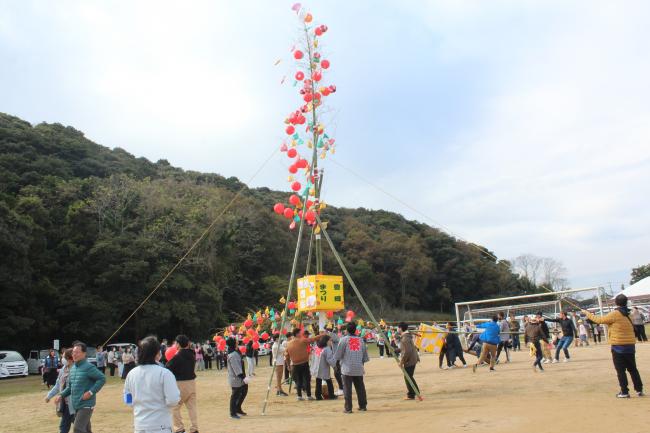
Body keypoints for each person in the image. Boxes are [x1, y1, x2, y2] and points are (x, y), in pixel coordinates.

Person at [582, 294, 644, 398]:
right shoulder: (628, 313)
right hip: (630, 346)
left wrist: (587, 313)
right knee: (633, 369)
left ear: (616, 302)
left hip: (618, 347)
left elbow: (599, 320)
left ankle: (624, 392)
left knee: (620, 371)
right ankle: (639, 389)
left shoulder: (615, 313)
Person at [124, 336, 180, 433]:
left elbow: (128, 398)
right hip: (161, 426)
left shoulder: (131, 374)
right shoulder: (165, 373)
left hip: (140, 425)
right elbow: (173, 400)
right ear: (157, 353)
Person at [56, 342, 106, 433]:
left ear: (84, 354)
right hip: (76, 405)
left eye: (77, 352)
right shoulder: (73, 368)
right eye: (73, 352)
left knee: (78, 429)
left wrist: (90, 392)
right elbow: (70, 387)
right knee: (86, 430)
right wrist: (61, 395)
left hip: (86, 405)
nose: (74, 354)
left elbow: (102, 378)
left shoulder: (89, 367)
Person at [166, 335, 199, 433]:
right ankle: (194, 428)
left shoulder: (177, 356)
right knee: (192, 407)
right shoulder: (192, 355)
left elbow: (167, 367)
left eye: (175, 343)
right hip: (191, 383)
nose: (174, 345)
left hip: (180, 384)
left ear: (178, 344)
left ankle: (179, 428)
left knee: (175, 407)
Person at [334, 321, 369, 413]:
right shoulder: (361, 340)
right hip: (358, 368)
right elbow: (365, 357)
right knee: (360, 388)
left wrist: (337, 366)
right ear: (356, 330)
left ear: (347, 330)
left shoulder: (343, 340)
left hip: (347, 368)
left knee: (347, 389)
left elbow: (338, 355)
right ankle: (363, 406)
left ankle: (348, 408)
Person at [45, 348, 75, 433]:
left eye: (64, 357)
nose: (62, 358)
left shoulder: (76, 370)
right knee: (63, 427)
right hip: (64, 404)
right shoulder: (63, 369)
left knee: (80, 427)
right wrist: (49, 396)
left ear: (70, 358)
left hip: (74, 404)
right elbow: (58, 385)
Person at [286, 328, 318, 401]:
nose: (302, 334)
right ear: (297, 333)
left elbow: (286, 356)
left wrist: (288, 365)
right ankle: (308, 395)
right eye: (301, 333)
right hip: (303, 363)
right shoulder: (302, 340)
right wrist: (322, 335)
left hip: (295, 364)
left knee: (298, 381)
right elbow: (313, 339)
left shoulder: (289, 343)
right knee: (306, 379)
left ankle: (299, 396)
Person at [226, 337, 249, 419]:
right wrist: (243, 377)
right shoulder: (233, 354)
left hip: (240, 377)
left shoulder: (235, 351)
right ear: (233, 343)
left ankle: (238, 408)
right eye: (236, 341)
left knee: (244, 391)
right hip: (236, 378)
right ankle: (232, 413)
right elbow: (236, 369)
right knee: (235, 395)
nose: (237, 342)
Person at [398, 322, 421, 400]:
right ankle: (413, 393)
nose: (397, 329)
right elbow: (405, 348)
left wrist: (401, 362)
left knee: (408, 377)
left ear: (400, 328)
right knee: (408, 376)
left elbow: (407, 351)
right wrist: (397, 350)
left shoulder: (405, 338)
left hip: (410, 360)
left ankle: (412, 394)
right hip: (411, 359)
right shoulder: (406, 336)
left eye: (398, 328)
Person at [311, 335, 337, 400]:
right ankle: (331, 395)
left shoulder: (317, 347)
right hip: (323, 367)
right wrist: (334, 365)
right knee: (329, 381)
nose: (331, 342)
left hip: (317, 367)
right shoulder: (327, 349)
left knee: (318, 381)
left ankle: (318, 396)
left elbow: (313, 357)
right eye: (330, 340)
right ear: (326, 341)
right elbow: (330, 359)